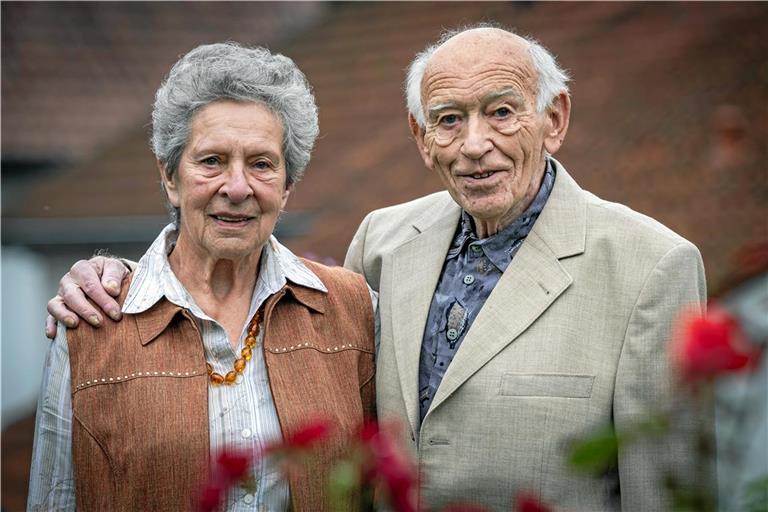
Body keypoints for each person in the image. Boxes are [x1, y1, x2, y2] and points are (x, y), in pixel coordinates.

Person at [46, 26, 712, 511]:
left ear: (554, 119)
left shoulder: (651, 268)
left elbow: (672, 489)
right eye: (449, 120)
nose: (475, 145)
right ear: (422, 138)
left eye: (502, 112)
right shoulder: (386, 245)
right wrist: (111, 273)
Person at [29, 42, 376, 512]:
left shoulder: (352, 309)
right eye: (211, 161)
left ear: (288, 186)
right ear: (170, 176)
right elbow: (54, 500)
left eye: (261, 164)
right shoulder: (90, 325)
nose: (236, 188)